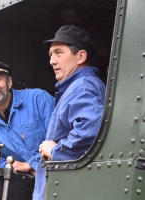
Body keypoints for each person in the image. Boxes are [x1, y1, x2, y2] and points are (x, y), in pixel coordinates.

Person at [34, 25, 106, 199]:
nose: (52, 60)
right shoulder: (77, 87)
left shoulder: (82, 87)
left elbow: (90, 129)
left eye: (59, 53)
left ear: (81, 56)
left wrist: (57, 150)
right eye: (51, 55)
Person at [0, 60, 54, 176]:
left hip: (56, 175)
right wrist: (29, 171)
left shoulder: (38, 99)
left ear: (9, 82)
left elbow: (58, 141)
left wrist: (28, 165)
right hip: (21, 182)